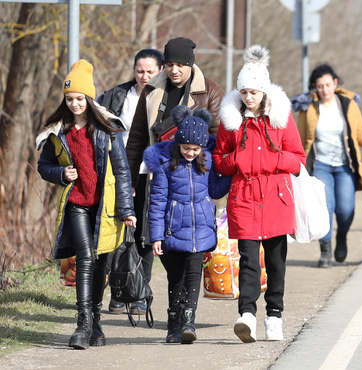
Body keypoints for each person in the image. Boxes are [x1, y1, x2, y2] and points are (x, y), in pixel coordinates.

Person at [36, 60, 136, 349]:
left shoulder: (108, 128)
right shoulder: (59, 132)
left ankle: (96, 321)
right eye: (70, 99)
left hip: (105, 208)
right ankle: (82, 325)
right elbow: (44, 167)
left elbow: (121, 171)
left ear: (89, 98)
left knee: (101, 261)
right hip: (77, 204)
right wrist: (61, 173)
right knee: (86, 258)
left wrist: (127, 210)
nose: (75, 104)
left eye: (80, 98)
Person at [213, 45, 306, 342]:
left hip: (277, 198)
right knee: (249, 261)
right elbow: (219, 159)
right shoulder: (231, 120)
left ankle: (274, 316)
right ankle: (248, 316)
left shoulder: (280, 118)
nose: (248, 97)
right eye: (244, 92)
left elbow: (298, 159)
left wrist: (275, 160)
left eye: (253, 92)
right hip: (244, 197)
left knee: (277, 263)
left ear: (264, 92)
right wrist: (237, 161)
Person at [125, 37, 224, 314]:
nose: (174, 70)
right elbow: (135, 140)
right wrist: (130, 181)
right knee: (159, 242)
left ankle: (183, 314)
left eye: (180, 64)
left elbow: (215, 140)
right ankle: (157, 299)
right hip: (157, 176)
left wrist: (212, 177)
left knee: (190, 252)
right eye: (169, 64)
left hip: (195, 180)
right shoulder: (152, 90)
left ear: (191, 64)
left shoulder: (210, 91)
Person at [145, 107, 230, 344]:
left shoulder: (208, 163)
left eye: (195, 149)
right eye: (186, 149)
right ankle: (174, 323)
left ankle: (189, 322)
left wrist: (230, 178)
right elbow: (158, 201)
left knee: (194, 275)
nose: (191, 153)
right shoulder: (165, 165)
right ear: (178, 144)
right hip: (174, 229)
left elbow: (214, 190)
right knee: (176, 277)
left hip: (201, 227)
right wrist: (156, 236)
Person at [295, 64, 362, 268]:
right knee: (326, 208)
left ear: (335, 83)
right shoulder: (308, 108)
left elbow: (360, 135)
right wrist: (297, 165)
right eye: (320, 86)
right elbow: (301, 139)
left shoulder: (348, 104)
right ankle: (325, 252)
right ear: (314, 86)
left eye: (328, 85)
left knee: (346, 209)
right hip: (320, 165)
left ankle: (342, 237)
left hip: (345, 165)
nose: (324, 90)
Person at [97, 48, 164, 315]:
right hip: (120, 174)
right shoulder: (117, 95)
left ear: (160, 71)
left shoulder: (166, 97)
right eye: (139, 71)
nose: (144, 76)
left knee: (144, 235)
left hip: (152, 174)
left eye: (150, 71)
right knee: (118, 234)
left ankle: (138, 292)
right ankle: (118, 291)